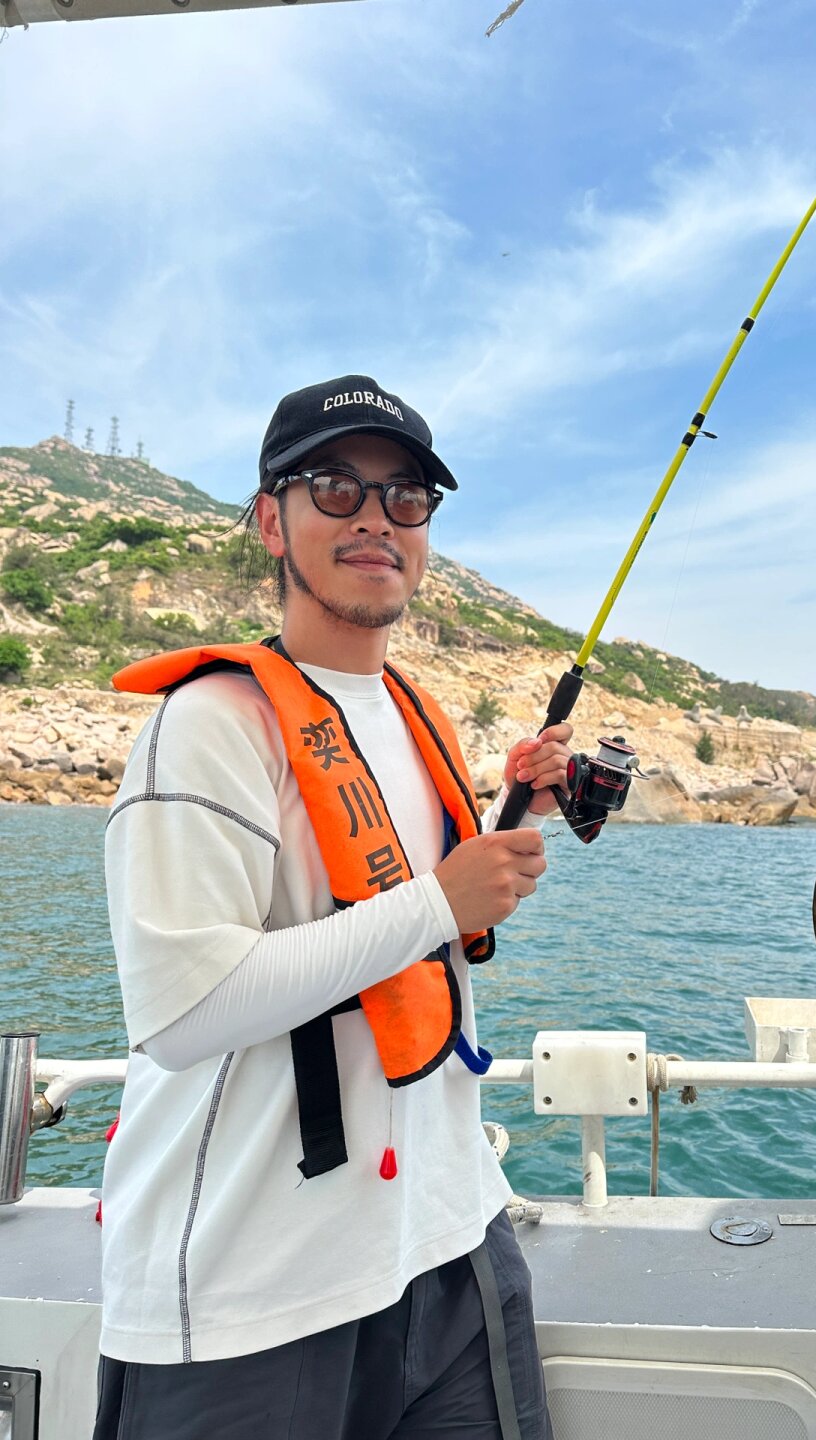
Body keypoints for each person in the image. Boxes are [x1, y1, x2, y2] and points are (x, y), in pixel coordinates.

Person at [93, 375, 570, 1440]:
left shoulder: (414, 715)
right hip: (254, 1289)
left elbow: (423, 936)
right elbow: (182, 1010)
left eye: (406, 495)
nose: (374, 517)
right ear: (272, 517)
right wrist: (440, 900)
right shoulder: (211, 725)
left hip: (448, 1239)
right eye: (334, 485)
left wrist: (507, 825)